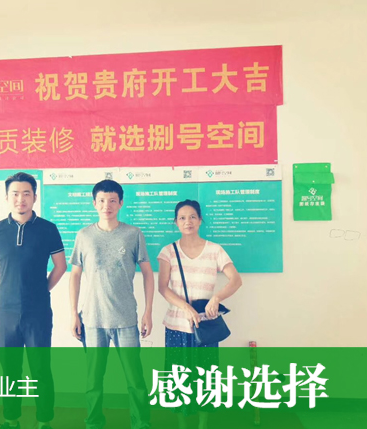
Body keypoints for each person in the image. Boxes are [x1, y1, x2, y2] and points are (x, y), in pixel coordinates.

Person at [69, 179, 154, 429]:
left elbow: (148, 273)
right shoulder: (84, 235)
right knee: (93, 380)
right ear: (94, 203)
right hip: (92, 320)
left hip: (126, 318)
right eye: (102, 200)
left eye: (113, 200)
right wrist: (73, 314)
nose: (107, 205)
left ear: (121, 203)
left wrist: (148, 312)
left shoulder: (133, 234)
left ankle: (141, 422)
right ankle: (94, 422)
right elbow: (75, 275)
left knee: (135, 378)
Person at [0, 172, 67, 429]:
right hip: (5, 313)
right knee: (10, 370)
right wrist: (6, 291)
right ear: (7, 197)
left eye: (26, 193)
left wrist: (42, 290)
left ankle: (44, 420)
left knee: (40, 369)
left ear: (35, 197)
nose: (21, 199)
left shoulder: (48, 229)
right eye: (15, 194)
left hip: (37, 312)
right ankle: (11, 419)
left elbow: (61, 266)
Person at [157, 199, 242, 429]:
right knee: (178, 378)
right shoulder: (168, 252)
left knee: (206, 377)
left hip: (205, 326)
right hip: (177, 325)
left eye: (193, 216)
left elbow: (236, 280)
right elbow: (163, 288)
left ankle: (203, 424)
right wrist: (186, 307)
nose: (188, 221)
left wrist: (217, 298)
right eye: (182, 218)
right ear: (176, 222)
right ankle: (182, 424)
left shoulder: (215, 250)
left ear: (200, 220)